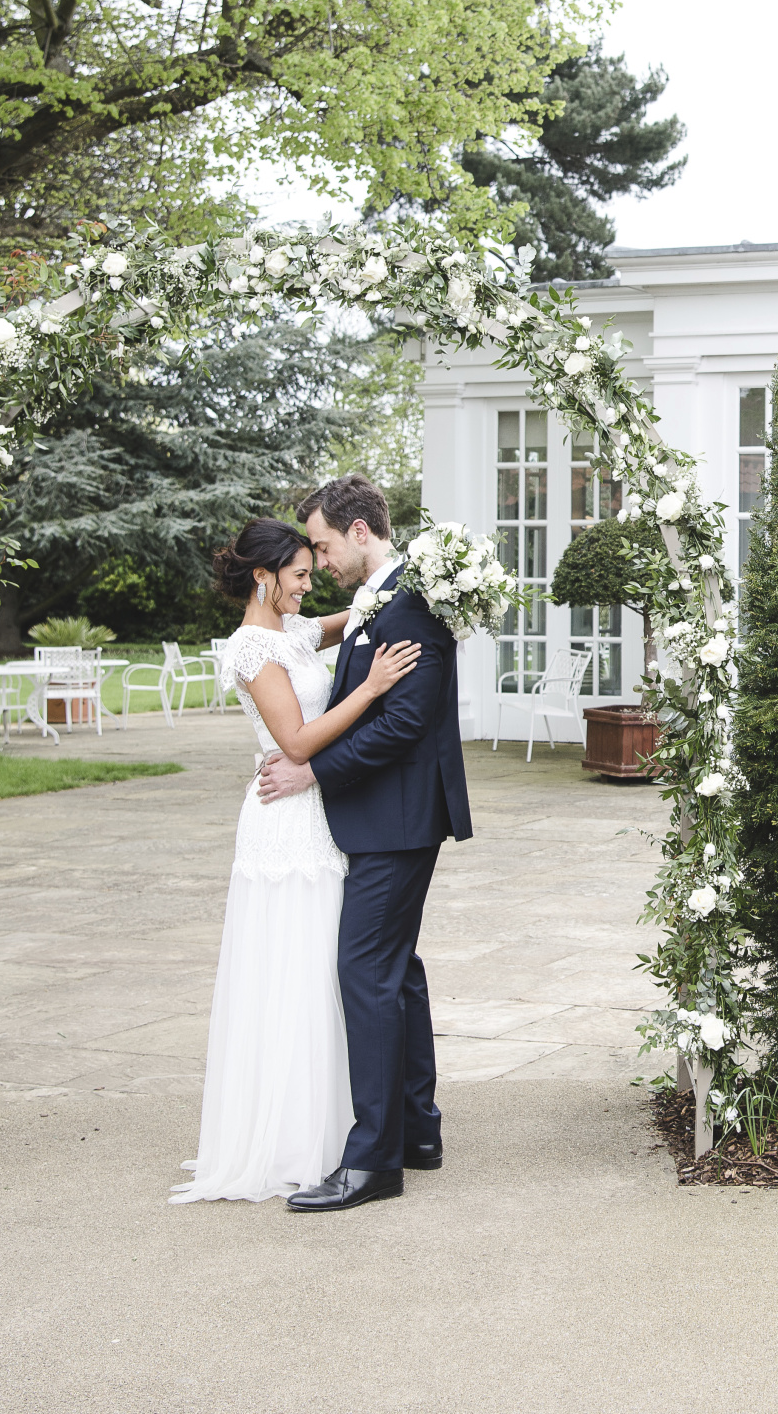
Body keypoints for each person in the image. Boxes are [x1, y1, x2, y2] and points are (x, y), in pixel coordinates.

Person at [171, 517, 420, 1204]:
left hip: (320, 821)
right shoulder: (254, 647)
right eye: (300, 575)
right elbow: (298, 740)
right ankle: (287, 1138)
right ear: (263, 576)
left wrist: (392, 585)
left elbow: (352, 616)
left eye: (315, 572)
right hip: (284, 823)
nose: (311, 586)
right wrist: (370, 688)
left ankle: (337, 1125)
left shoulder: (297, 630)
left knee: (324, 970)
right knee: (289, 968)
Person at [257, 474, 473, 1214]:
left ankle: (373, 1158)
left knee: (364, 972)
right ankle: (417, 1130)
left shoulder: (408, 602)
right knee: (396, 969)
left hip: (398, 815)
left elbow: (402, 724)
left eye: (321, 543)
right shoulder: (379, 598)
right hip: (393, 815)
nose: (317, 560)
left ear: (357, 531)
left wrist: (311, 770)